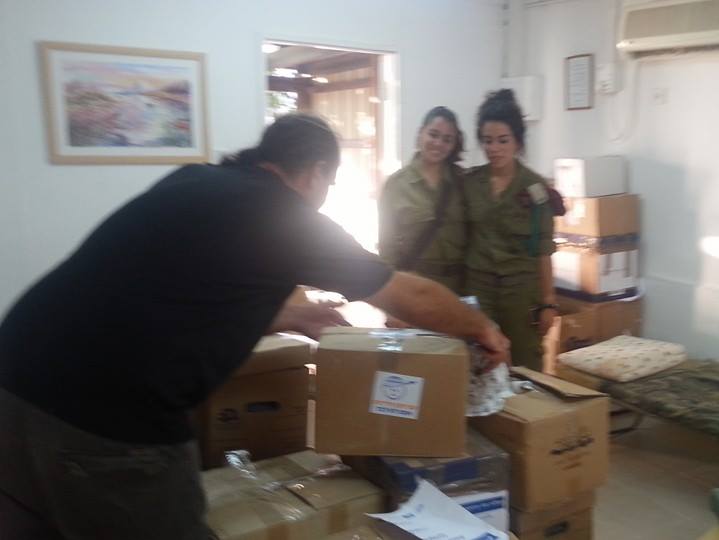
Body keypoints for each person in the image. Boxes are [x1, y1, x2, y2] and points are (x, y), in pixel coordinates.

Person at [0, 113, 510, 540]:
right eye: (329, 184)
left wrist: (291, 315)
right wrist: (481, 327)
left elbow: (192, 289)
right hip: (106, 421)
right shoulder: (283, 215)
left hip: (16, 379)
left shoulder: (197, 180)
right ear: (316, 171)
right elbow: (408, 294)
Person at [463, 90, 562, 371]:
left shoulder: (535, 188)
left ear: (517, 141)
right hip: (479, 288)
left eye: (503, 140)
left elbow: (544, 249)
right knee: (479, 363)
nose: (494, 148)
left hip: (520, 292)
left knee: (524, 364)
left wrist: (548, 303)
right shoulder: (469, 183)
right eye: (487, 140)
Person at [378, 107, 467, 294]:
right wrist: (395, 291)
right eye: (433, 135)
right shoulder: (396, 185)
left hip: (459, 285)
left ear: (453, 144)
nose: (438, 143)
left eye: (447, 139)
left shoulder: (463, 181)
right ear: (420, 134)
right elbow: (387, 248)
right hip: (415, 284)